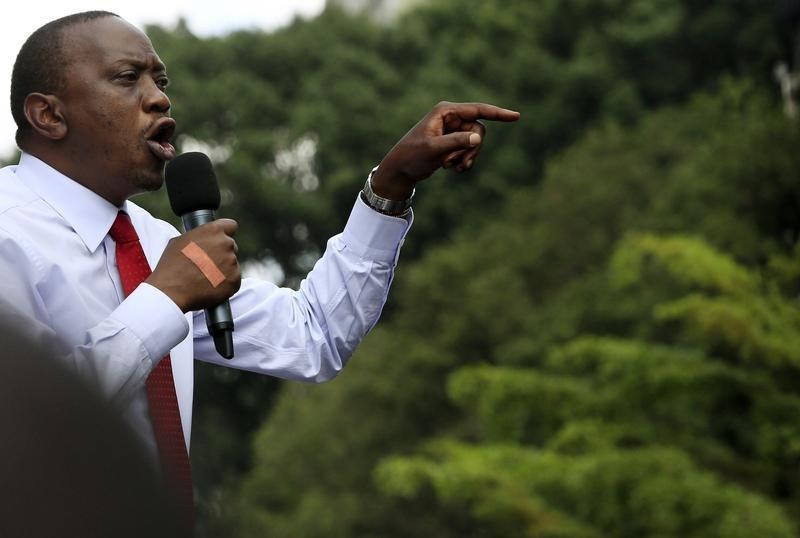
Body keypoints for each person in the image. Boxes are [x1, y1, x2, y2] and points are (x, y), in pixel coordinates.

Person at [0, 9, 519, 528]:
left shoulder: (156, 243)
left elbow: (313, 337)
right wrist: (163, 301)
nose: (159, 98)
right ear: (49, 115)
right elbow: (24, 424)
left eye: (160, 80)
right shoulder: (9, 232)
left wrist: (389, 186)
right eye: (126, 77)